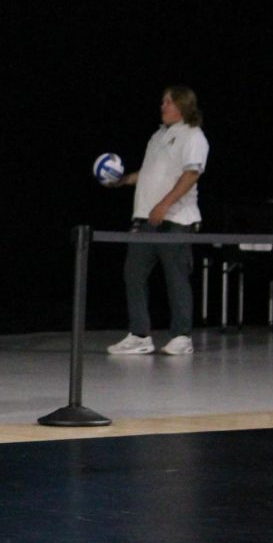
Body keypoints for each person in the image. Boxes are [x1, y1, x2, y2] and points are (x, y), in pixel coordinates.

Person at [107, 86, 210, 356]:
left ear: (182, 106)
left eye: (168, 102)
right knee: (133, 273)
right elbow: (151, 172)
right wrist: (125, 180)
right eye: (162, 101)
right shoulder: (158, 135)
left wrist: (164, 205)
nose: (162, 106)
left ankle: (182, 337)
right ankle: (140, 335)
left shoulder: (193, 136)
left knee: (176, 277)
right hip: (144, 218)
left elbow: (190, 175)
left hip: (174, 218)